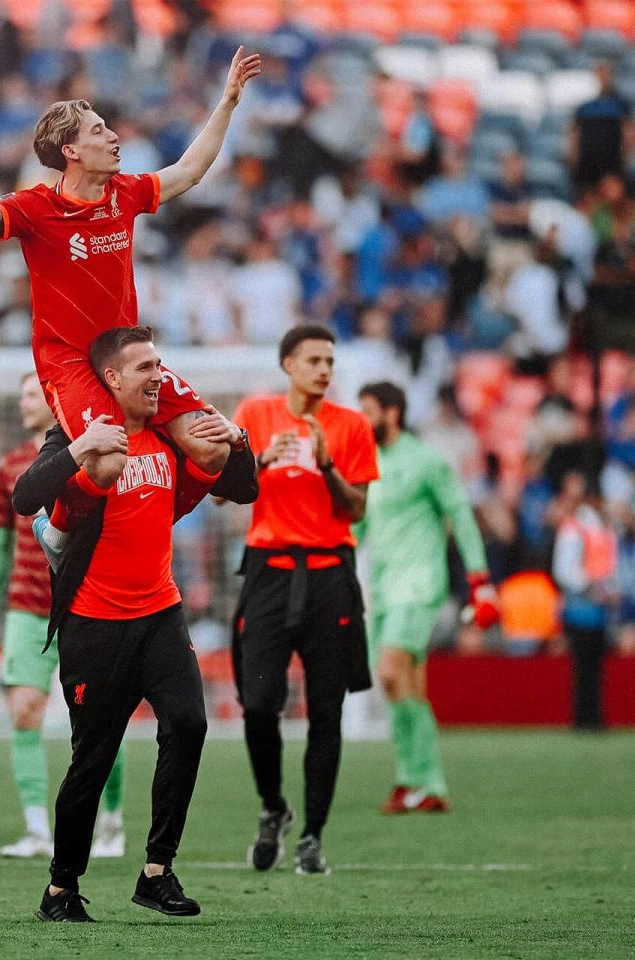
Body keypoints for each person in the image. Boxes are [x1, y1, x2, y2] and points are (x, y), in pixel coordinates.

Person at [0, 48, 260, 550]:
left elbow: (190, 171)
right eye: (98, 131)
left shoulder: (125, 193)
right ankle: (59, 533)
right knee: (109, 460)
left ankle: (146, 524)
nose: (113, 137)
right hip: (69, 361)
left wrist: (227, 101)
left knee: (213, 447)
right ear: (70, 151)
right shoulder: (34, 208)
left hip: (126, 356)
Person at [12, 326, 248, 922]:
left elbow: (244, 487)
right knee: (92, 758)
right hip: (94, 627)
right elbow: (24, 496)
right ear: (111, 379)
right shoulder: (79, 435)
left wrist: (237, 440)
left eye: (161, 364)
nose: (159, 376)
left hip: (160, 615)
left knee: (190, 724)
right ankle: (61, 888)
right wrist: (77, 446)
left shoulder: (175, 438)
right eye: (145, 366)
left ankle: (157, 872)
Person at [230, 324, 378, 876]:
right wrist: (261, 461)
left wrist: (327, 463)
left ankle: (313, 834)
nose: (324, 369)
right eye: (313, 359)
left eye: (330, 361)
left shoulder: (350, 425)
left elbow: (356, 509)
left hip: (329, 576)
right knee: (259, 705)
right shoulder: (255, 413)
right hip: (269, 572)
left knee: (327, 710)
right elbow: (225, 491)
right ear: (287, 363)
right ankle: (273, 805)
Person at [0, 372, 127, 859]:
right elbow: (0, 543)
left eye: (31, 394)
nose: (22, 402)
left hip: (87, 601)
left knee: (99, 717)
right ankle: (38, 829)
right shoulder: (11, 467)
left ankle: (111, 820)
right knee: (24, 711)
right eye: (20, 392)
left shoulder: (101, 454)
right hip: (28, 607)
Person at [355, 382, 499, 815]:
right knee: (405, 684)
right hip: (383, 587)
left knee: (390, 669)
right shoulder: (368, 464)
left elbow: (460, 514)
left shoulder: (427, 460)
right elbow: (359, 529)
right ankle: (424, 782)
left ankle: (414, 778)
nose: (362, 420)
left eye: (369, 411)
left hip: (418, 584)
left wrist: (480, 578)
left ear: (392, 412)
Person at [551, 471, 618, 731]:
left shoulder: (600, 529)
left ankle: (591, 717)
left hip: (598, 605)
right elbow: (565, 571)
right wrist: (593, 587)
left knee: (592, 667)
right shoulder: (576, 528)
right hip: (583, 606)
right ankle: (585, 718)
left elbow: (606, 566)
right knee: (586, 667)